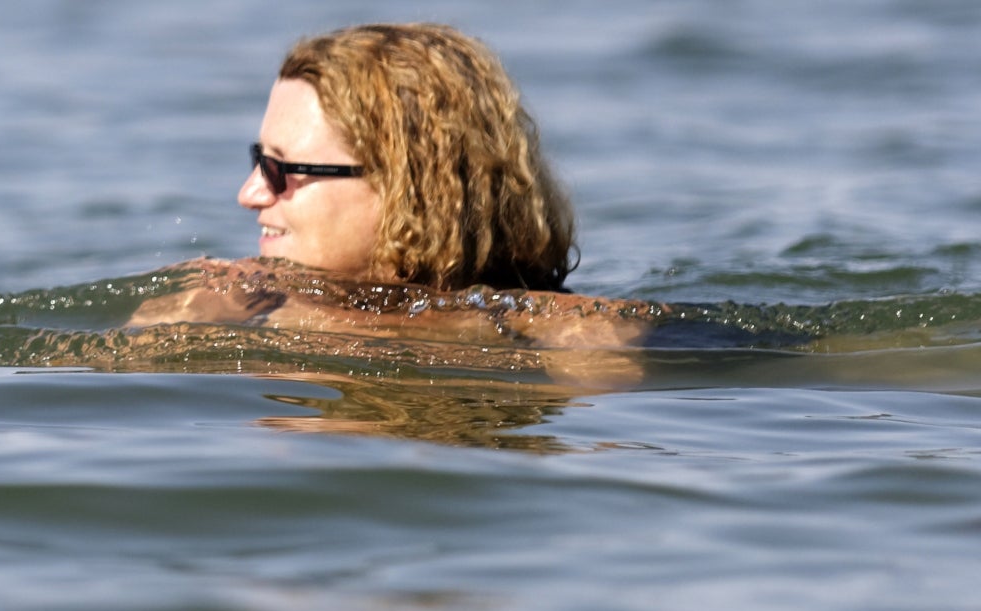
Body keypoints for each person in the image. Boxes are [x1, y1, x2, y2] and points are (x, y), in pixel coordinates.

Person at [129, 24, 653, 373]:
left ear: (405, 187)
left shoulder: (584, 334)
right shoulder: (231, 302)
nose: (250, 193)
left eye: (281, 168)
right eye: (256, 159)